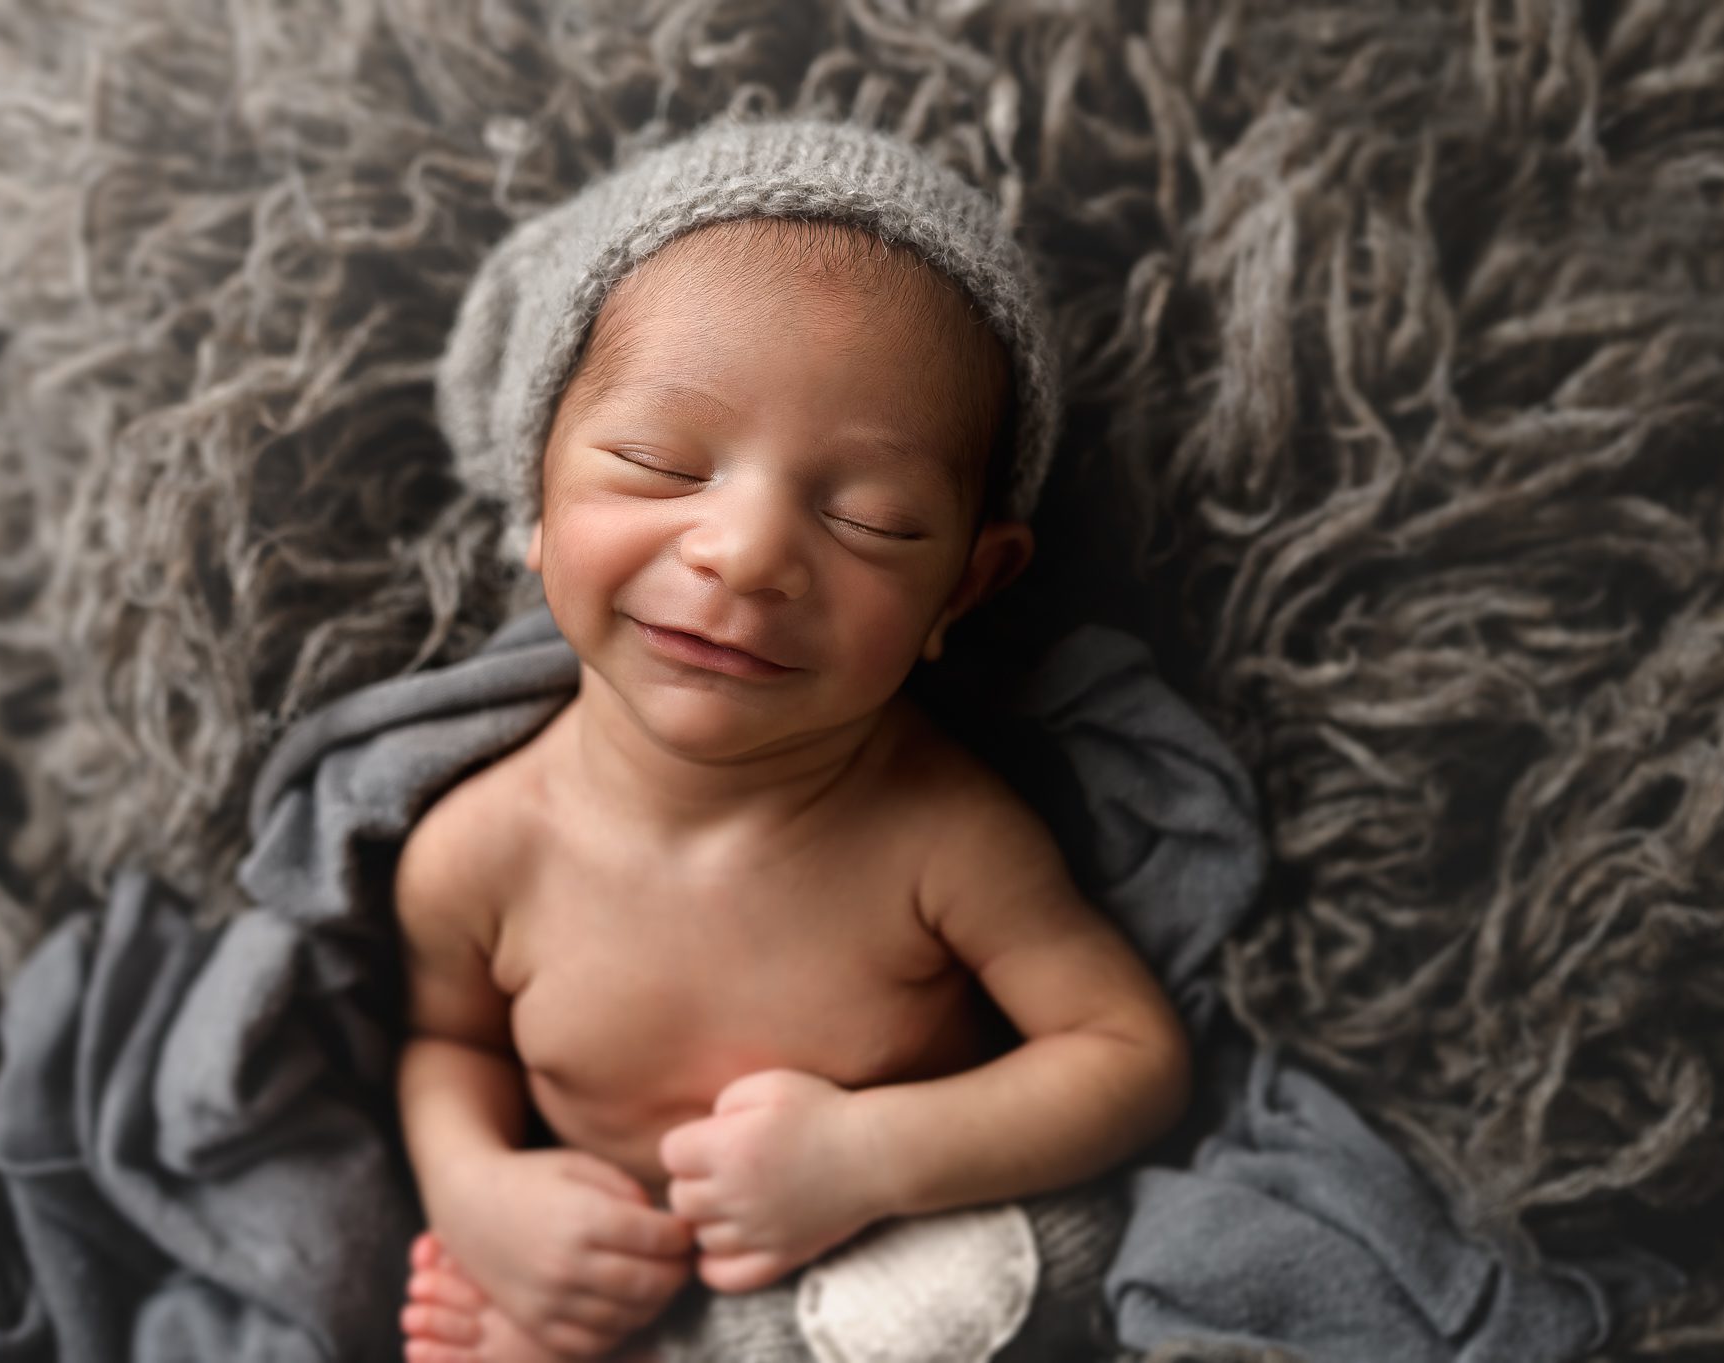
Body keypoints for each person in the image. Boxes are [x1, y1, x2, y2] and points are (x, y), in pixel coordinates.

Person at [395, 116, 1191, 1363]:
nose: (751, 553)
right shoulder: (475, 852)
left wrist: (869, 1156)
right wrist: (476, 1191)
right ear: (534, 504)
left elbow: (1128, 1057)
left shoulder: (944, 837)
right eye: (659, 464)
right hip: (620, 1276)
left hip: (884, 1260)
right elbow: (448, 1046)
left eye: (870, 519)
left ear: (966, 590)